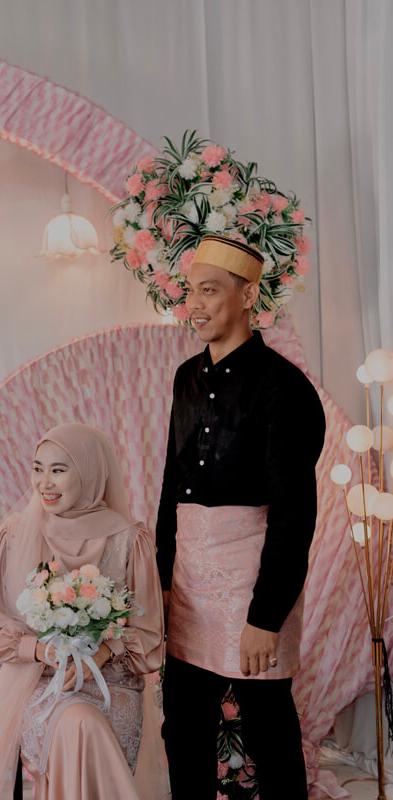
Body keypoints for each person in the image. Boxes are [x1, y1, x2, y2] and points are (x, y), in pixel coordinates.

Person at [156, 233, 326, 799]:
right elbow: (170, 485)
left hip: (252, 577)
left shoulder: (285, 387)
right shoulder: (185, 377)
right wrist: (162, 579)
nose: (195, 304)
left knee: (269, 727)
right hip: (189, 579)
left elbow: (295, 513)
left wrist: (266, 616)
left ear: (248, 295)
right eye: (190, 291)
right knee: (183, 726)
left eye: (210, 290)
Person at [0, 423, 164, 800]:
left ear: (90, 473)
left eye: (58, 470)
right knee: (80, 725)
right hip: (44, 685)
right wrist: (41, 649)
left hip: (113, 684)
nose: (44, 483)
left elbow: (149, 637)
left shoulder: (129, 539)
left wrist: (103, 652)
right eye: (37, 468)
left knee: (87, 725)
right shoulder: (14, 536)